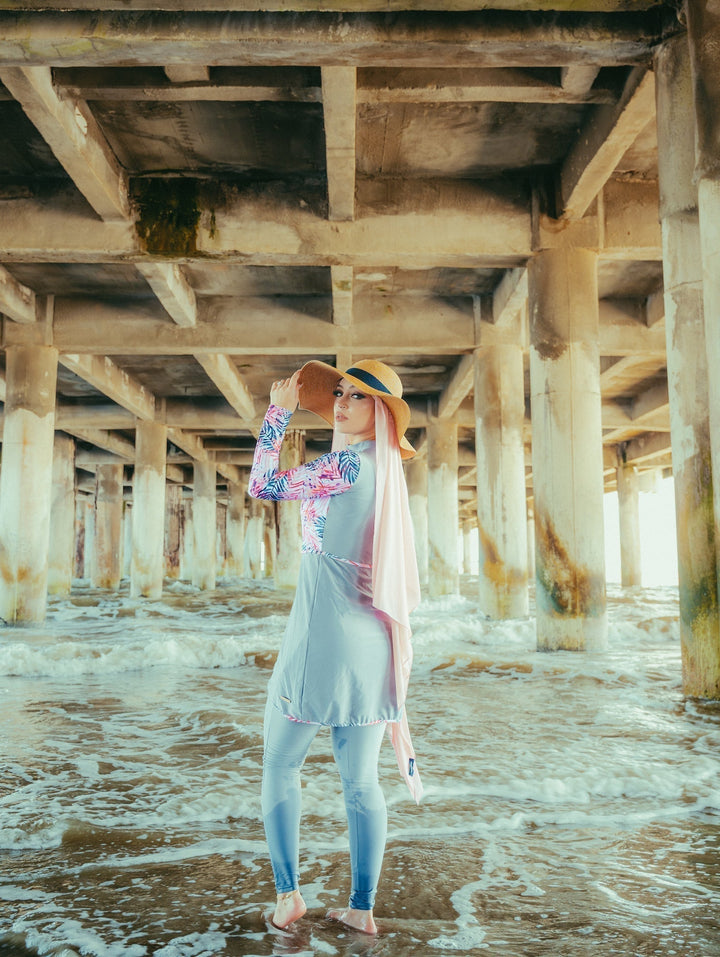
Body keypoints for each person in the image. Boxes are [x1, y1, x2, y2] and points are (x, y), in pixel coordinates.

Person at [248, 358, 423, 936]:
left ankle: (288, 897)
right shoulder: (385, 473)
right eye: (341, 393)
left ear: (382, 414)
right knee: (362, 782)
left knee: (279, 763)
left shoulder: (345, 466)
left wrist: (277, 414)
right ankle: (361, 908)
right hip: (372, 641)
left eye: (358, 397)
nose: (343, 402)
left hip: (320, 637)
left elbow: (263, 485)